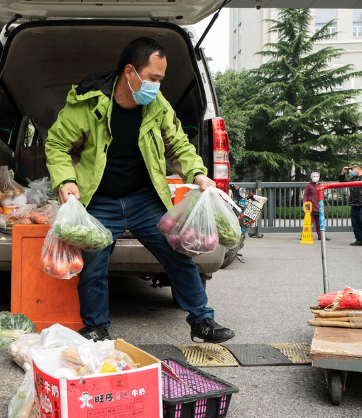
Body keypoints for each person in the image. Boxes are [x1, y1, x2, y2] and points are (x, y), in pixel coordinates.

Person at [45, 37, 234, 343]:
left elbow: (179, 146)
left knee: (178, 254)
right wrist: (66, 181)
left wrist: (198, 173)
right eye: (153, 78)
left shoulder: (157, 107)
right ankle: (95, 327)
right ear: (130, 72)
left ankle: (202, 320)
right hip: (100, 200)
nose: (157, 87)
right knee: (93, 267)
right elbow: (56, 144)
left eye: (161, 80)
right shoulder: (87, 104)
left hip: (144, 199)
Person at [303, 172, 329, 240]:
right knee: (308, 222)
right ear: (311, 177)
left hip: (319, 206)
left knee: (320, 223)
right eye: (314, 176)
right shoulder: (308, 185)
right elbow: (305, 195)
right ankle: (306, 235)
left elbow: (323, 194)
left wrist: (325, 196)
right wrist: (304, 203)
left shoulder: (321, 185)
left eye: (316, 176)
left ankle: (321, 236)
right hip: (310, 206)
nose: (315, 177)